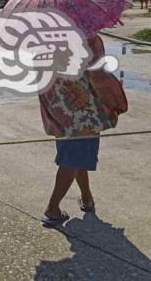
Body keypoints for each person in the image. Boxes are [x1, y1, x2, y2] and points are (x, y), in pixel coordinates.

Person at [38, 35, 126, 228]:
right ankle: (52, 209)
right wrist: (115, 96)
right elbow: (99, 74)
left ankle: (87, 198)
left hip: (59, 109)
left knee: (76, 156)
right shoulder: (88, 37)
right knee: (72, 160)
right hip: (83, 110)